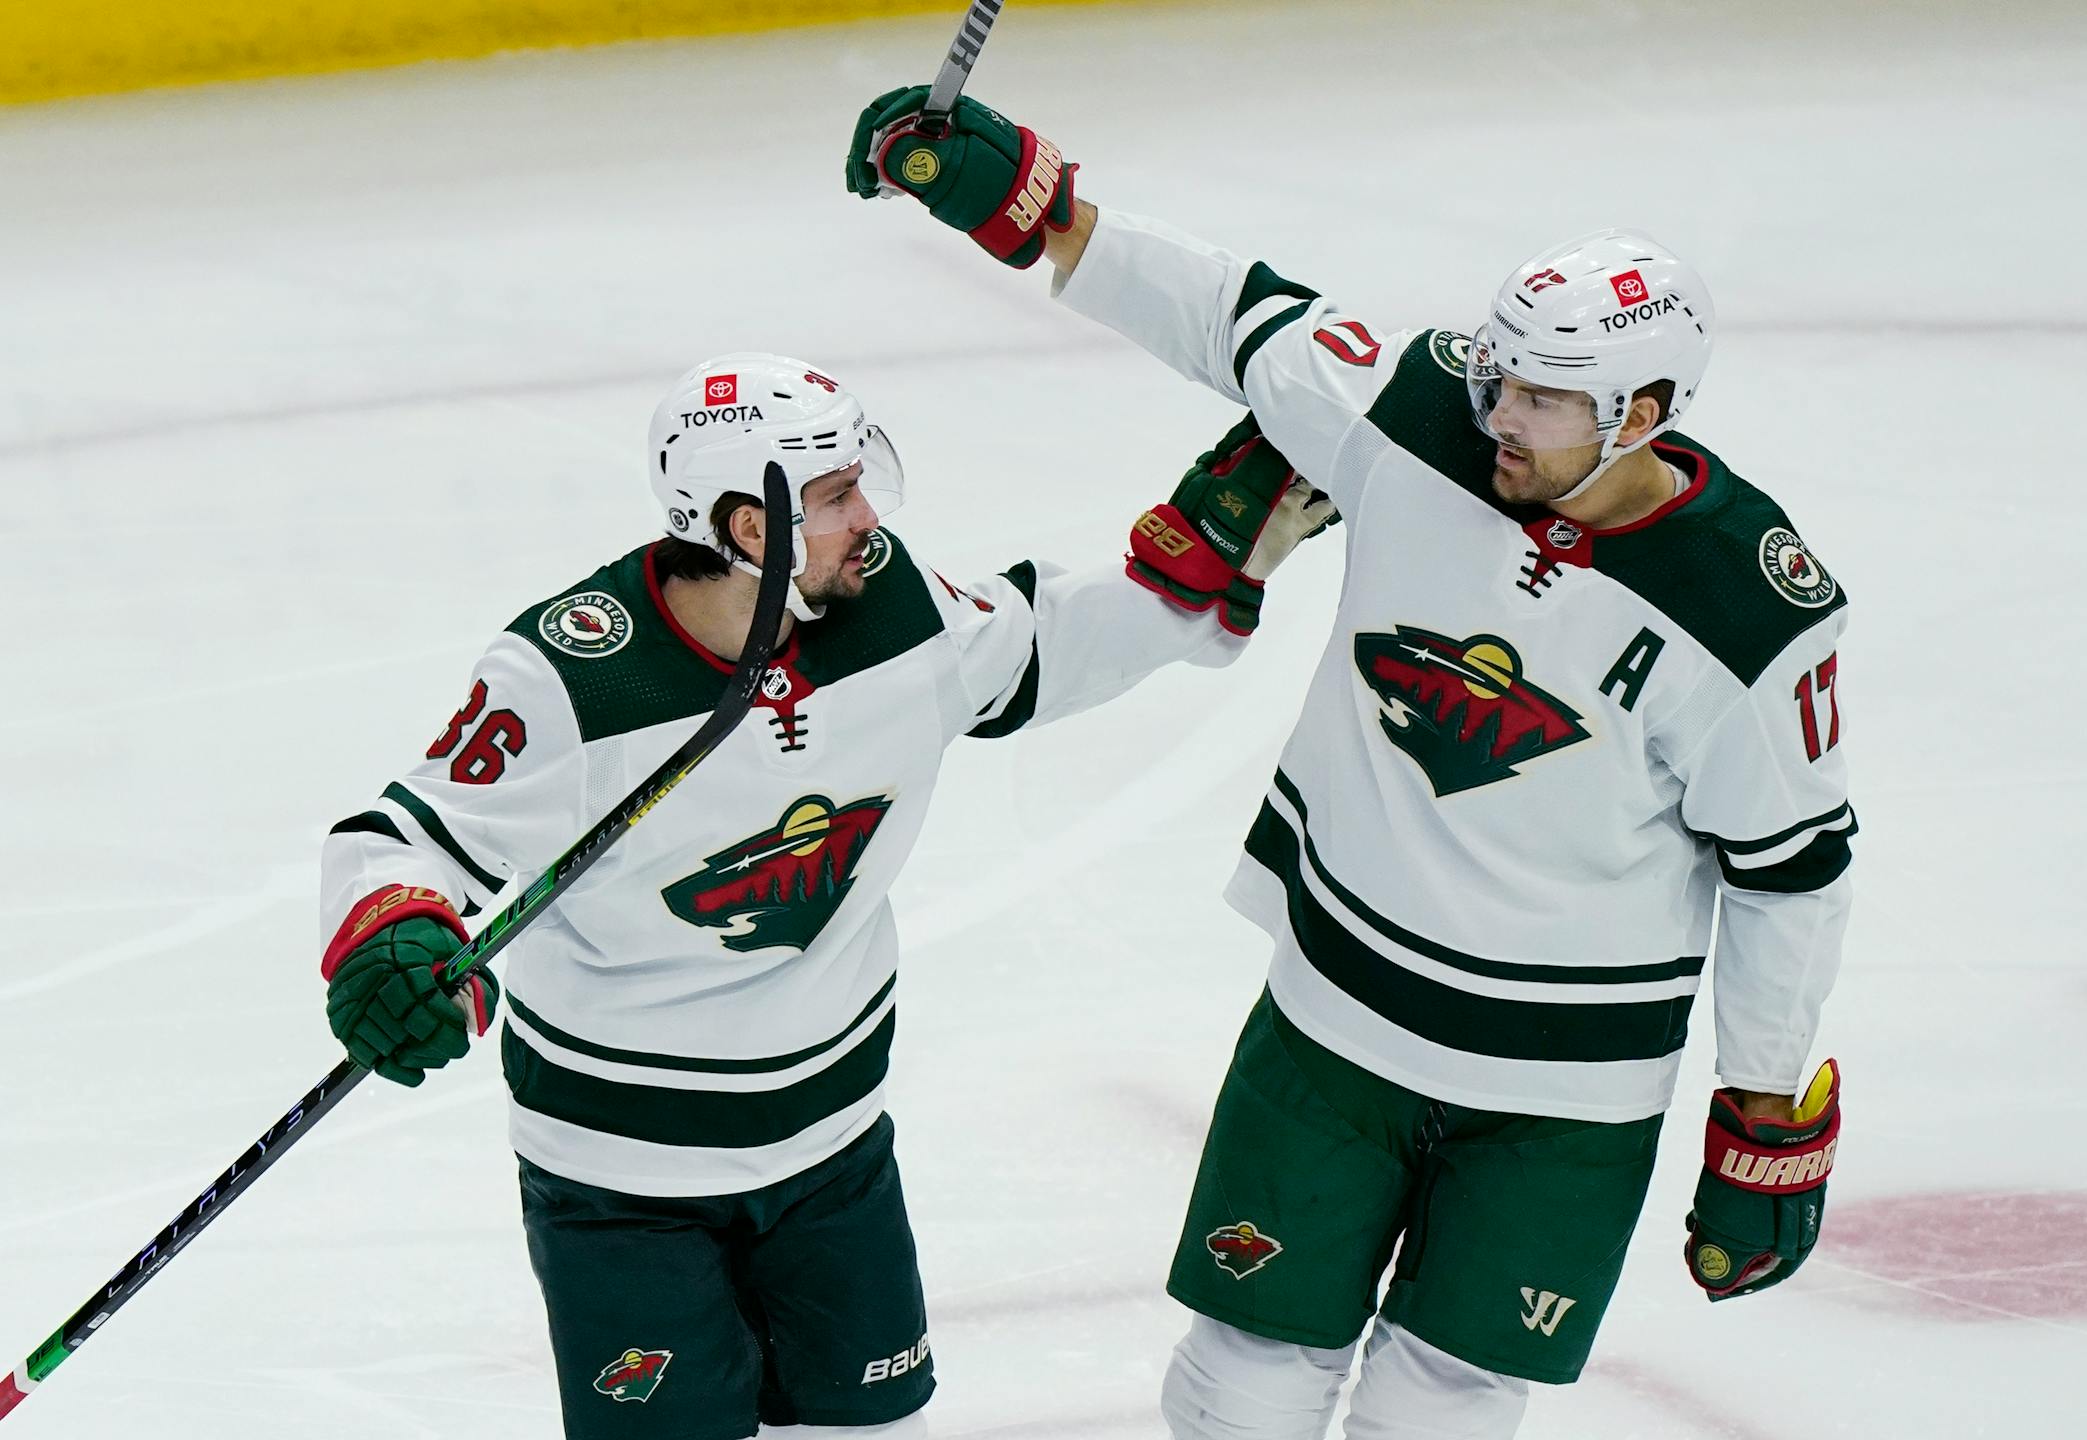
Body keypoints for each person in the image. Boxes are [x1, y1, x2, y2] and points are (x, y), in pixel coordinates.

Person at [846, 92, 1853, 1440]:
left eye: (1547, 399)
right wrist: (1043, 214)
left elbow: (1789, 874)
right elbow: (1234, 316)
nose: (1502, 415)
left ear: (1647, 412)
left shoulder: (1747, 614)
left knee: (1445, 1405)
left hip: (1567, 1087)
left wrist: (1763, 1103)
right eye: (1499, 376)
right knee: (1241, 1380)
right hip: (1337, 1021)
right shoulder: (1423, 414)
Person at [315, 352, 1334, 1440]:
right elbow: (406, 838)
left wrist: (1201, 563)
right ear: (753, 528)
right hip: (623, 1178)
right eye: (839, 494)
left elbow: (1045, 642)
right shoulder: (575, 675)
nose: (869, 517)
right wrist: (394, 937)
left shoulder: (895, 606)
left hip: (831, 1153)